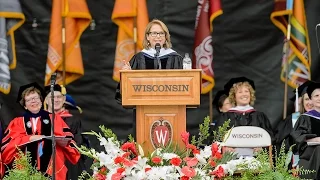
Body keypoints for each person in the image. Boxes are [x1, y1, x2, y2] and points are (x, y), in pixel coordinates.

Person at [115, 19, 183, 137]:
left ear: (166, 37)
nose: (158, 36)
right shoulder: (138, 58)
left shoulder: (175, 58)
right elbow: (125, 91)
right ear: (147, 37)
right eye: (154, 33)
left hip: (172, 111)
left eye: (161, 33)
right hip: (143, 111)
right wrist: (127, 76)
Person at [1, 82, 80, 179]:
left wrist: (60, 140)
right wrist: (30, 138)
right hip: (25, 170)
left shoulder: (55, 119)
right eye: (29, 99)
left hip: (53, 168)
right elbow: (8, 147)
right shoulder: (17, 122)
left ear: (41, 101)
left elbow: (68, 139)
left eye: (36, 98)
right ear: (25, 105)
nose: (33, 101)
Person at [214, 77, 274, 154]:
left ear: (251, 94)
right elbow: (216, 137)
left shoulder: (259, 116)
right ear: (234, 96)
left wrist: (262, 147)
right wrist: (224, 147)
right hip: (231, 159)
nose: (244, 94)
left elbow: (270, 137)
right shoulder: (226, 117)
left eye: (246, 91)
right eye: (240, 92)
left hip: (257, 159)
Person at [44, 84, 87, 180]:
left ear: (64, 100)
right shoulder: (40, 119)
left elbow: (78, 143)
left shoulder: (73, 120)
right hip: (46, 162)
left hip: (68, 162)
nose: (56, 100)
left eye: (59, 97)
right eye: (52, 97)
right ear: (46, 100)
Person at [291, 82, 320, 179]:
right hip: (310, 157)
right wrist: (316, 140)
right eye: (316, 95)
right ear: (311, 99)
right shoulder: (305, 118)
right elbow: (297, 139)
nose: (319, 98)